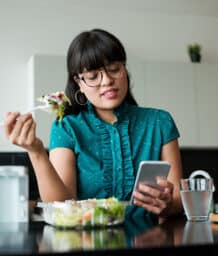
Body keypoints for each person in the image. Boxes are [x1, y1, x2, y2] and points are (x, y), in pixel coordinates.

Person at [4, 28, 183, 221]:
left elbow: (178, 202)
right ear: (78, 82)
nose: (107, 81)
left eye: (114, 69)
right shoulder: (67, 127)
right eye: (92, 76)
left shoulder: (160, 122)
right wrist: (36, 151)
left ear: (125, 70)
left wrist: (166, 205)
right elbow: (61, 204)